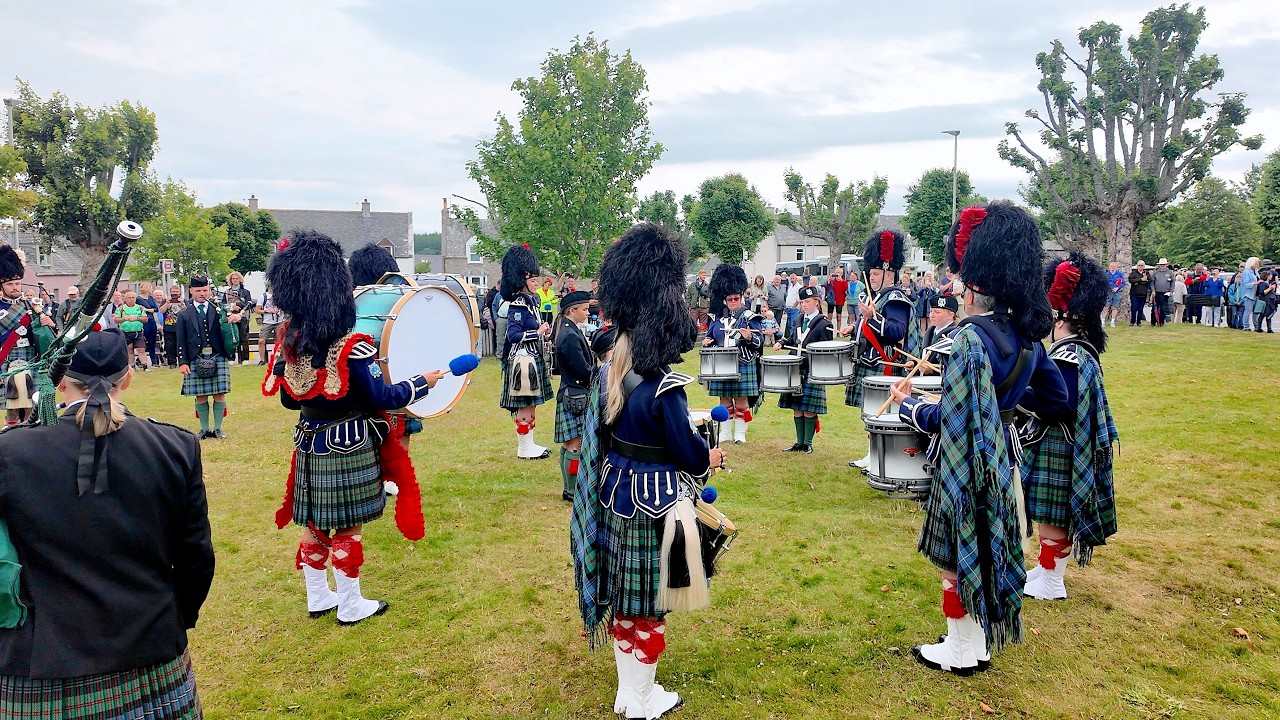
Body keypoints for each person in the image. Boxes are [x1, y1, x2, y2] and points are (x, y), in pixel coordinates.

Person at [890, 202, 1070, 676]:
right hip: (1005, 460)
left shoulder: (972, 337)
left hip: (969, 463)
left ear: (974, 285)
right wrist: (1005, 405)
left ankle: (959, 650)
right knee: (988, 548)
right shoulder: (1028, 336)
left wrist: (911, 408)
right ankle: (977, 644)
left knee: (959, 552)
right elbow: (1054, 397)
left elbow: (955, 417)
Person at [0, 328, 214, 718]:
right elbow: (196, 558)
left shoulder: (9, 451)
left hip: (43, 660)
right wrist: (174, 619)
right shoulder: (175, 446)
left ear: (59, 380)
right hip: (150, 648)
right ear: (127, 378)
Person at [569, 222, 725, 719]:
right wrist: (710, 456)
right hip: (658, 502)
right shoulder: (667, 388)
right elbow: (686, 453)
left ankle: (626, 692)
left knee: (624, 602)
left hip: (615, 495)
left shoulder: (611, 372)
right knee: (651, 607)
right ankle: (643, 699)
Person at [262, 231, 436, 625]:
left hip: (308, 441)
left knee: (315, 523)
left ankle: (318, 595)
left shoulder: (289, 345)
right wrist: (423, 382)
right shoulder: (352, 346)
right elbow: (383, 397)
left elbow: (290, 399)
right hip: (349, 443)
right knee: (348, 526)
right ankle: (351, 603)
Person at [1020, 252, 1120, 602]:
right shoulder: (1081, 350)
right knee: (1050, 512)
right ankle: (1047, 569)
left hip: (1059, 440)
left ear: (1060, 317)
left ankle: (1052, 580)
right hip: (1065, 440)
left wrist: (1018, 396)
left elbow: (1059, 404)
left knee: (1052, 513)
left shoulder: (1068, 355)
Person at [841, 229, 919, 469]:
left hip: (886, 363)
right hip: (871, 362)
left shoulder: (895, 298)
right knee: (871, 412)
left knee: (882, 413)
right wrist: (855, 326)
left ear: (888, 273)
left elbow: (896, 331)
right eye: (871, 273)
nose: (871, 277)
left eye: (875, 273)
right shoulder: (878, 297)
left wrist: (871, 317)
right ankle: (871, 454)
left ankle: (878, 457)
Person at [501, 244, 553, 459]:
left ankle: (529, 444)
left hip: (532, 357)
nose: (536, 284)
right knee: (525, 404)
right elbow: (513, 336)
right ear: (523, 280)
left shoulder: (532, 302)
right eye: (532, 280)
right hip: (522, 359)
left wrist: (544, 333)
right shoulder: (518, 305)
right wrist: (538, 332)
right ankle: (524, 447)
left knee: (531, 403)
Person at [702, 264, 764, 445]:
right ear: (725, 300)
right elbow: (711, 336)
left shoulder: (750, 317)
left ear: (742, 297)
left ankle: (740, 434)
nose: (733, 301)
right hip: (722, 363)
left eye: (736, 298)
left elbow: (759, 342)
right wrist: (707, 341)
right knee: (724, 399)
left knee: (742, 399)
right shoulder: (717, 319)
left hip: (743, 361)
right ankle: (726, 433)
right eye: (730, 299)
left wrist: (750, 336)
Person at [176, 275, 241, 439]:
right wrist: (183, 362)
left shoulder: (219, 308)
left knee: (219, 393)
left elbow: (241, 314)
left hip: (217, 354)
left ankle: (218, 428)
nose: (202, 293)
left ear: (209, 290)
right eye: (198, 290)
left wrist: (237, 317)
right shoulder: (184, 314)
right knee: (201, 395)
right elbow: (181, 340)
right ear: (191, 291)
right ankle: (204, 429)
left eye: (205, 290)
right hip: (195, 357)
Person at [773, 285, 832, 453]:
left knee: (809, 409)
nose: (804, 305)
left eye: (807, 301)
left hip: (812, 369)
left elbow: (826, 349)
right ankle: (799, 443)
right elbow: (793, 339)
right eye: (802, 302)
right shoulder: (798, 319)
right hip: (795, 367)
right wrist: (782, 343)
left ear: (816, 301)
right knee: (797, 407)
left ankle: (808, 443)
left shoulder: (824, 323)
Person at [0, 246, 54, 418]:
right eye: (10, 284)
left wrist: (48, 323)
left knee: (34, 406)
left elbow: (46, 334)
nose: (15, 287)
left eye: (17, 283)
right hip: (7, 359)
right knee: (12, 411)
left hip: (31, 358)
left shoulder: (32, 304)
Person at [553, 290, 595, 502]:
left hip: (571, 393)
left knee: (569, 444)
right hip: (575, 395)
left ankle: (569, 489)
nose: (587, 313)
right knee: (574, 445)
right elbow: (582, 370)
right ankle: (571, 491)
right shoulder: (569, 335)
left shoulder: (569, 329)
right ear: (572, 310)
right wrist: (598, 374)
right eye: (585, 309)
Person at [916, 294, 961, 373]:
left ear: (950, 315)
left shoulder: (957, 335)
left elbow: (955, 366)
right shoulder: (930, 332)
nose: (931, 316)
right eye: (931, 311)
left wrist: (932, 371)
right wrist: (915, 363)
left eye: (937, 312)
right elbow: (922, 356)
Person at [114, 290, 152, 371]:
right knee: (129, 349)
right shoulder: (121, 309)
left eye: (133, 297)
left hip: (138, 332)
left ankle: (145, 366)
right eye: (129, 298)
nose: (131, 299)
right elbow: (116, 320)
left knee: (141, 349)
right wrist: (124, 318)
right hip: (125, 332)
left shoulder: (140, 308)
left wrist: (137, 318)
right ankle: (132, 366)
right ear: (125, 299)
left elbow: (145, 319)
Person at [222, 272, 254, 364]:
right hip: (231, 317)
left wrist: (238, 305)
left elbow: (249, 303)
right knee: (231, 338)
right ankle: (231, 358)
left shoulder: (246, 292)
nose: (235, 280)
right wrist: (231, 307)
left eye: (236, 278)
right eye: (233, 279)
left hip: (243, 317)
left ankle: (245, 359)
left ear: (240, 279)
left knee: (244, 338)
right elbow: (223, 304)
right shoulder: (227, 292)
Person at [258, 285, 283, 365]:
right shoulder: (263, 296)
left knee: (279, 341)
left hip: (279, 320)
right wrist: (267, 311)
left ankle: (277, 359)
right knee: (261, 341)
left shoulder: (281, 295)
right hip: (267, 321)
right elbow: (257, 310)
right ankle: (262, 360)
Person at [137, 280, 161, 365]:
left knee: (152, 341)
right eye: (151, 287)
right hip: (144, 321)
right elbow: (138, 309)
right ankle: (140, 360)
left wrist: (147, 309)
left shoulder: (150, 298)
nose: (152, 289)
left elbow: (156, 309)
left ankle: (154, 361)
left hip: (152, 321)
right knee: (143, 341)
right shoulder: (138, 299)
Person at [161, 285, 185, 368]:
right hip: (169, 327)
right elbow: (161, 310)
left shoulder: (184, 300)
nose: (175, 294)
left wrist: (182, 303)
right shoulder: (165, 300)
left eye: (176, 292)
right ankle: (172, 363)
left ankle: (182, 361)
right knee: (170, 346)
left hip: (181, 327)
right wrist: (167, 303)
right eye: (173, 292)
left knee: (182, 345)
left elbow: (188, 311)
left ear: (180, 292)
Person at [1150, 258, 1175, 326]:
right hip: (1157, 292)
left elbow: (1173, 282)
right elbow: (1152, 282)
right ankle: (1153, 322)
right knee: (1154, 308)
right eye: (1161, 265)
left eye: (1163, 265)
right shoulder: (1156, 273)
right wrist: (1153, 290)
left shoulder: (1170, 273)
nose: (1162, 266)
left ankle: (1161, 322)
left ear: (1166, 265)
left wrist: (1172, 291)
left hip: (1165, 293)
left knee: (1164, 309)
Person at [826, 267, 849, 333]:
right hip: (831, 300)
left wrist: (841, 280)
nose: (837, 274)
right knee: (829, 316)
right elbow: (827, 288)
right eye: (836, 273)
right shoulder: (832, 281)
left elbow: (845, 288)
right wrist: (829, 280)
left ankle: (838, 331)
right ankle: (829, 331)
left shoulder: (843, 281)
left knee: (838, 317)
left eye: (839, 273)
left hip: (839, 301)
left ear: (841, 274)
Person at [1128, 261, 1151, 326]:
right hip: (1134, 294)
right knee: (1134, 308)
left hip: (1143, 294)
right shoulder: (1134, 273)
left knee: (1141, 309)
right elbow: (1131, 280)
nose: (1140, 266)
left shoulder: (1146, 273)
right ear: (1137, 266)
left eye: (1142, 265)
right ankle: (1132, 322)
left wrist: (1138, 282)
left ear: (1144, 266)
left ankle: (1139, 322)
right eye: (1139, 265)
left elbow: (1149, 281)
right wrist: (1141, 280)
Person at [1241, 257, 1261, 331]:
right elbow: (1246, 284)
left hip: (1256, 294)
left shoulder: (1256, 271)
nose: (1258, 264)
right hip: (1249, 294)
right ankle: (1246, 326)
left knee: (1256, 311)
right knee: (1248, 311)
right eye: (1257, 263)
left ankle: (1256, 326)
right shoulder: (1246, 272)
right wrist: (1255, 283)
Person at [1103, 261, 1125, 327]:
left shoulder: (1119, 274)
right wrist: (1109, 288)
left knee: (1115, 307)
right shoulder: (1106, 274)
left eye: (1114, 267)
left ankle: (1112, 321)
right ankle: (1103, 321)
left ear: (1116, 267)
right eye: (1111, 266)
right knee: (1106, 307)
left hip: (1116, 292)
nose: (1112, 268)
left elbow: (1122, 283)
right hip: (1108, 292)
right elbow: (1104, 283)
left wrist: (1117, 288)